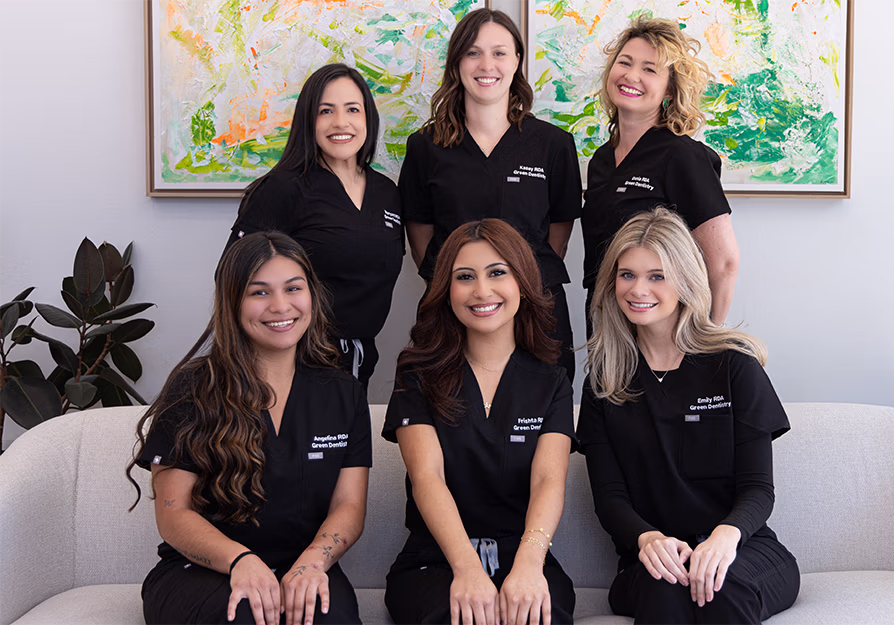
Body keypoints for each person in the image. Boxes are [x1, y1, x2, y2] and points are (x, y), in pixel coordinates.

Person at [127, 232, 371, 625]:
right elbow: (174, 514)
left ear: (312, 295)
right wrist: (240, 560)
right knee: (246, 616)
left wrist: (312, 563)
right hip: (207, 571)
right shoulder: (192, 388)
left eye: (294, 288)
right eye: (259, 293)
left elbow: (349, 506)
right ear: (232, 303)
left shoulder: (344, 393)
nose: (280, 306)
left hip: (304, 566)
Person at [577, 207, 798, 624]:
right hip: (652, 559)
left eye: (657, 275)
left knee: (719, 585)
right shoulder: (604, 381)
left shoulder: (734, 366)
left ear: (685, 280)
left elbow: (757, 489)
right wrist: (647, 539)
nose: (638, 289)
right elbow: (610, 499)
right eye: (627, 274)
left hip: (743, 550)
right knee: (666, 590)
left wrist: (723, 539)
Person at [382, 219, 576, 625]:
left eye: (497, 273)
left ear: (522, 282)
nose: (481, 291)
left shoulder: (552, 379)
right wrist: (467, 569)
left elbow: (548, 480)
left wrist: (529, 562)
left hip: (522, 554)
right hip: (436, 559)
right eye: (464, 277)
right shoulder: (416, 373)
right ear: (446, 290)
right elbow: (427, 477)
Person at [399, 8, 582, 381]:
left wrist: (520, 282)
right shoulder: (425, 146)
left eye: (499, 52)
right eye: (473, 52)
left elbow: (558, 234)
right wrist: (459, 284)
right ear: (457, 63)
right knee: (449, 410)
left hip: (538, 306)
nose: (487, 64)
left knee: (542, 415)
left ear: (517, 60)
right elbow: (420, 235)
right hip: (456, 306)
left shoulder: (553, 144)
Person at [226, 63, 404, 390]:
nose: (341, 122)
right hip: (291, 365)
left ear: (369, 118)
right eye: (326, 111)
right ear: (309, 120)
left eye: (353, 109)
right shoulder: (282, 189)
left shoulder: (387, 193)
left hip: (359, 363)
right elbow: (233, 277)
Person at [581, 17, 739, 329]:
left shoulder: (683, 157)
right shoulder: (600, 160)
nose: (631, 75)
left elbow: (724, 264)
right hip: (606, 328)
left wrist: (707, 343)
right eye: (624, 62)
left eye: (649, 69)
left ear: (669, 89)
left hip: (663, 331)